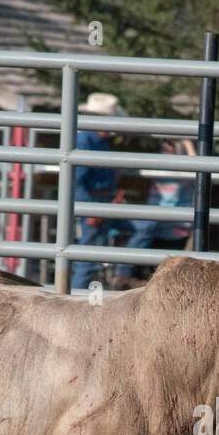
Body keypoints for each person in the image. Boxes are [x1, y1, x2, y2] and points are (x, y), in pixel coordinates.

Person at [70, 92, 137, 290]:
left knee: (142, 227)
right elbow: (76, 179)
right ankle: (78, 299)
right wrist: (88, 209)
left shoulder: (94, 140)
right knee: (89, 259)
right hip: (95, 202)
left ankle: (122, 275)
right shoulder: (86, 141)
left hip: (103, 201)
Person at [121, 137, 196, 283]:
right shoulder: (157, 165)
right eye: (164, 147)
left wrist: (187, 143)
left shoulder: (185, 169)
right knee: (144, 273)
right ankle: (125, 278)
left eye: (171, 147)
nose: (166, 150)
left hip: (175, 231)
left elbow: (199, 167)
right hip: (152, 227)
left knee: (167, 277)